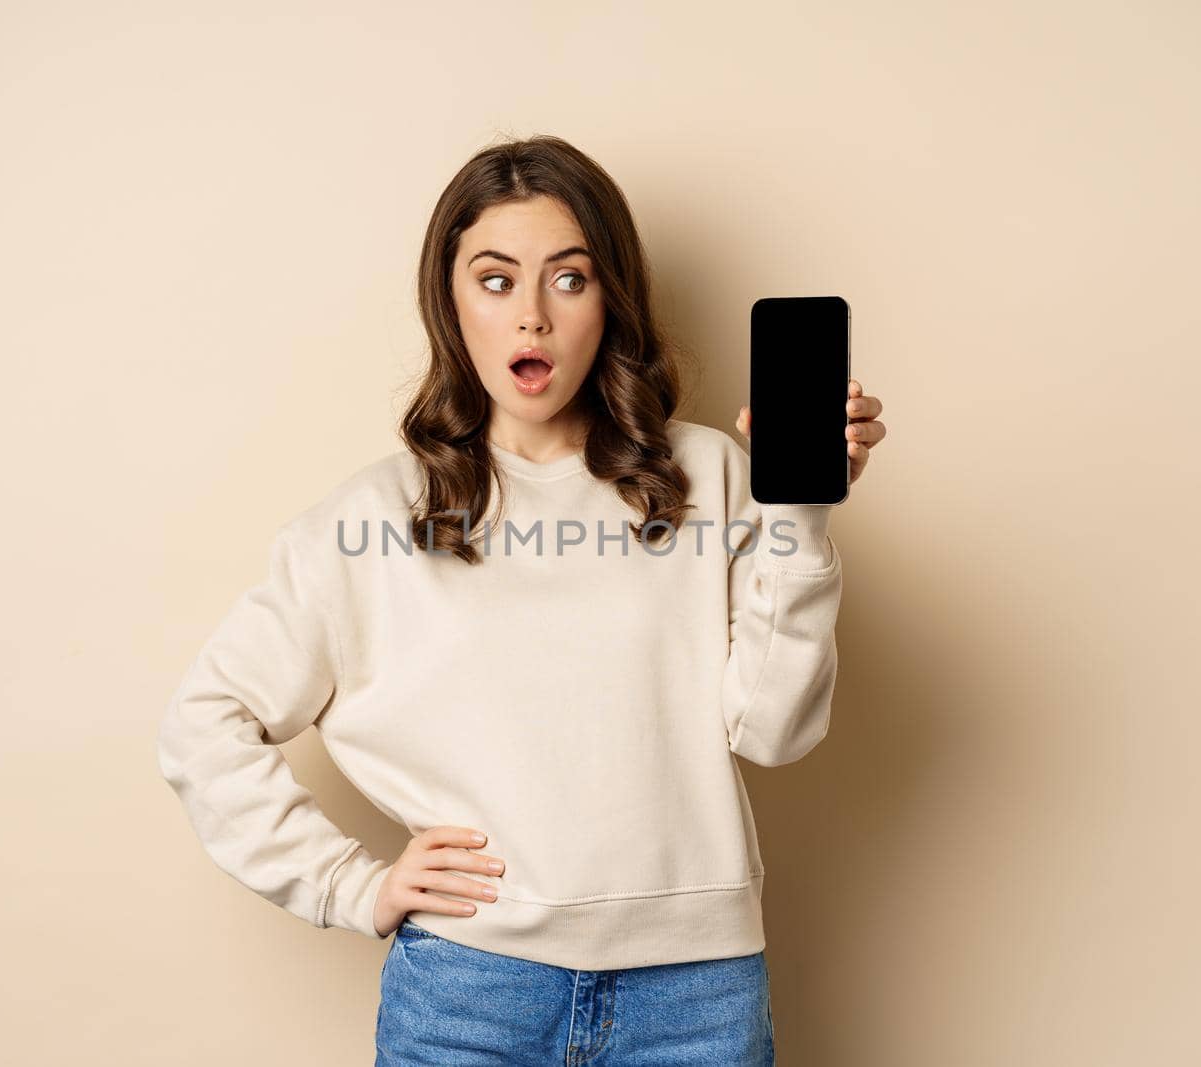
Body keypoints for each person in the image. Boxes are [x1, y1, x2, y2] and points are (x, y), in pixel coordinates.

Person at [157, 134, 887, 1066]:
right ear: (450, 300)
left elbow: (776, 731)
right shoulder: (374, 520)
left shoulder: (711, 474)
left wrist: (803, 517)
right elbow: (203, 724)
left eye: (569, 279)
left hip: (697, 994)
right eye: (496, 280)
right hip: (469, 992)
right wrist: (349, 884)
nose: (532, 318)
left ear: (611, 298)